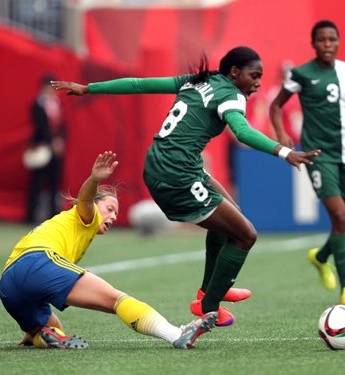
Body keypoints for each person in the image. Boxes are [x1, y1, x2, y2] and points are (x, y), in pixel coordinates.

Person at [51, 46, 320, 327]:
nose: (258, 82)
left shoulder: (197, 81)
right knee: (246, 235)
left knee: (232, 215)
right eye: (254, 75)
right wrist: (284, 152)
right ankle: (209, 306)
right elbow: (242, 132)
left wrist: (88, 88)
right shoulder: (231, 95)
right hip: (176, 174)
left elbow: (139, 84)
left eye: (261, 77)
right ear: (234, 72)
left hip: (165, 163)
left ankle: (211, 288)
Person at [0, 151, 217, 350]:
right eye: (109, 209)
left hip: (8, 284)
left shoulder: (67, 225)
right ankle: (176, 333)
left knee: (49, 327)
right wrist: (94, 179)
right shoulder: (85, 214)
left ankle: (41, 336)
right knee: (117, 300)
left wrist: (33, 333)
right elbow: (85, 198)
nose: (112, 216)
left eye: (115, 212)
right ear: (96, 204)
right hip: (38, 261)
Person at [269, 20, 345, 306]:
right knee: (340, 217)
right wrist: (282, 133)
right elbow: (275, 105)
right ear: (313, 43)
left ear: (338, 42)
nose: (327, 45)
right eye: (322, 40)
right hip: (318, 156)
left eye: (332, 40)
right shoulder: (301, 74)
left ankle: (321, 257)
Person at [25, 75, 66, 224]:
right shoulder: (37, 105)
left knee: (55, 182)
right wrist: (52, 141)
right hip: (42, 148)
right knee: (37, 182)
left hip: (56, 150)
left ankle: (53, 216)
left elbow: (61, 126)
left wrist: (60, 140)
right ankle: (30, 215)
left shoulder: (57, 105)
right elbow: (41, 127)